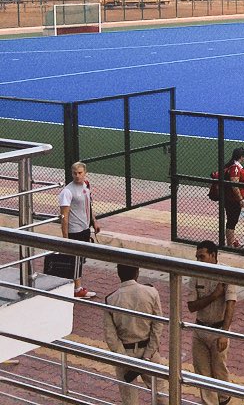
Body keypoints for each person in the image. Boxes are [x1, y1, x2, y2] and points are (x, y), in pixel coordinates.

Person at [104, 264, 167, 405]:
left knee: (129, 400)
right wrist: (148, 353)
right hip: (149, 351)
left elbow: (110, 336)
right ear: (137, 273)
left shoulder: (111, 299)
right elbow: (158, 325)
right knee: (160, 394)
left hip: (125, 352)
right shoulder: (151, 292)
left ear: (119, 274)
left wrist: (124, 358)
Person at [187, 240, 236, 405]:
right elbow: (191, 306)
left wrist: (224, 333)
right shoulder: (195, 274)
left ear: (213, 255)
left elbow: (231, 305)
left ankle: (224, 399)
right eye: (197, 257)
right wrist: (214, 296)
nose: (199, 261)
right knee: (202, 373)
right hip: (200, 329)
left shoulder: (227, 273)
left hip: (218, 330)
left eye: (202, 256)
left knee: (219, 371)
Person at [59, 161, 101, 298]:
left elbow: (89, 205)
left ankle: (74, 284)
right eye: (75, 173)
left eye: (80, 173)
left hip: (85, 228)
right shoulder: (67, 191)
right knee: (76, 259)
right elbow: (64, 216)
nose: (77, 176)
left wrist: (94, 221)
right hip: (74, 230)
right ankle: (77, 289)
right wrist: (65, 237)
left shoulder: (86, 185)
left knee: (80, 259)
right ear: (71, 174)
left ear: (85, 173)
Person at [220, 147, 244, 249]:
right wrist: (240, 199)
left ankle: (231, 242)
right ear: (241, 156)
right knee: (232, 221)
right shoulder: (235, 168)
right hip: (233, 200)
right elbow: (234, 184)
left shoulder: (235, 166)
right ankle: (230, 244)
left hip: (231, 199)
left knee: (232, 221)